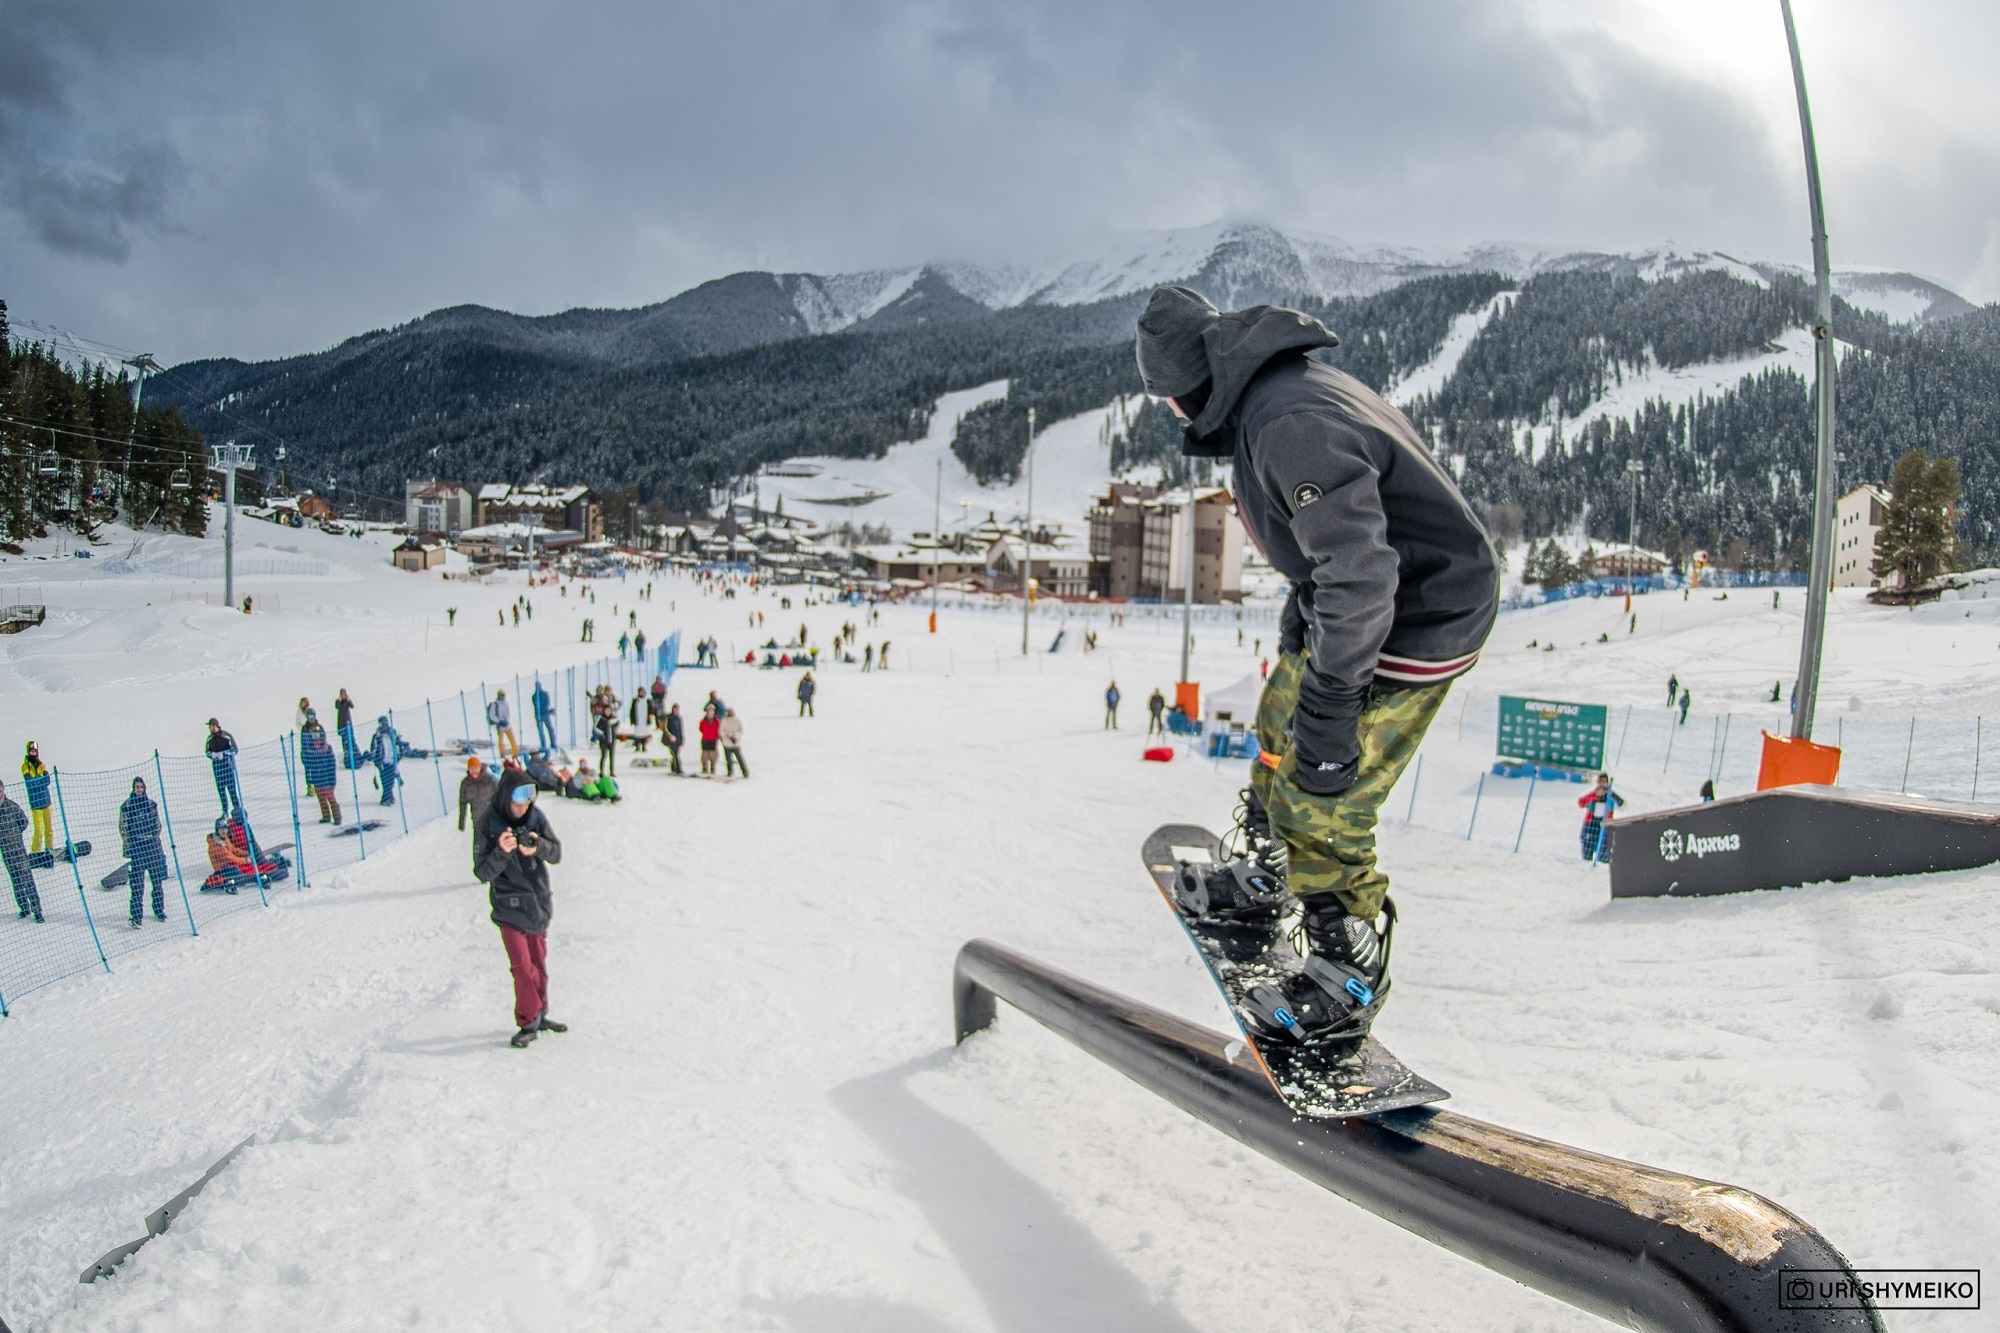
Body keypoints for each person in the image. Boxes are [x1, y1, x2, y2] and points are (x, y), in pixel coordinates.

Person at [1134, 283, 1497, 1050]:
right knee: (1278, 722)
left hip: (1417, 617)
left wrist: (1334, 703)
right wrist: (1306, 631)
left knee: (1323, 786)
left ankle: (1349, 960)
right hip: (1371, 602)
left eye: (1164, 397)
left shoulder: (1287, 420)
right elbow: (1338, 545)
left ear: (1182, 389)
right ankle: (1269, 868)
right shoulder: (1276, 395)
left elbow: (1362, 572)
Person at [474, 780, 567, 1048]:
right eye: (519, 798)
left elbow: (556, 852)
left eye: (529, 797)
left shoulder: (535, 817)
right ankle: (527, 1021)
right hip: (509, 908)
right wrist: (502, 852)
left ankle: (540, 1013)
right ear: (505, 797)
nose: (524, 804)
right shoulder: (488, 824)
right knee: (523, 969)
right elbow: (482, 872)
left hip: (537, 905)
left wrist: (538, 847)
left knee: (539, 964)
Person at [119, 777, 170, 927]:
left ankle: (159, 910)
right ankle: (136, 916)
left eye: (141, 787)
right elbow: (123, 828)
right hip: (137, 849)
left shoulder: (151, 805)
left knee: (157, 882)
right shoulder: (127, 806)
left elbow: (158, 825)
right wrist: (129, 845)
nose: (139, 789)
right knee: (137, 885)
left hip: (152, 847)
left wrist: (153, 839)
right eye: (136, 787)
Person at [0, 780, 41, 922]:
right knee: (16, 881)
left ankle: (37, 910)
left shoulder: (12, 806)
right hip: (6, 854)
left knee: (28, 880)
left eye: (0, 791)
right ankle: (24, 908)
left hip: (19, 852)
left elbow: (24, 822)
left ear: (3, 791)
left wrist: (15, 834)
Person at [300, 717, 342, 825]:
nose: (316, 738)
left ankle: (337, 816)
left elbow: (332, 763)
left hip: (327, 776)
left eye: (317, 735)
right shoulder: (310, 749)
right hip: (317, 776)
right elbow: (306, 762)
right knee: (321, 798)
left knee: (330, 797)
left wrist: (332, 777)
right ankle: (326, 815)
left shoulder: (326, 748)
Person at [1578, 773, 1626, 863]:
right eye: (1600, 781)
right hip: (1591, 826)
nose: (1602, 784)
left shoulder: (1611, 797)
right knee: (1587, 852)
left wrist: (1612, 795)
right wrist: (1594, 795)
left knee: (1604, 854)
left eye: (1604, 782)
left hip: (1605, 827)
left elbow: (1623, 806)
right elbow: (1581, 803)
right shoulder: (1593, 795)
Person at [20, 742, 53, 855]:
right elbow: (30, 783)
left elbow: (47, 780)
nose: (33, 753)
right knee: (39, 830)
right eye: (31, 751)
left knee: (49, 829)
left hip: (46, 801)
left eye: (34, 751)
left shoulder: (42, 765)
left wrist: (37, 781)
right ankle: (35, 852)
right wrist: (41, 780)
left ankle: (49, 849)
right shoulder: (25, 767)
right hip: (35, 803)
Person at [205, 718, 243, 816]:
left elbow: (235, 750)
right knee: (221, 792)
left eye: (212, 726)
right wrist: (212, 755)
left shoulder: (227, 736)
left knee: (232, 790)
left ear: (217, 726)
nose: (211, 728)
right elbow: (207, 752)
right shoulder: (209, 739)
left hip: (228, 768)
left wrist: (224, 754)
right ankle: (225, 811)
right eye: (210, 726)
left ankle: (237, 809)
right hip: (217, 770)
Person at [459, 756, 498, 842]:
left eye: (476, 768)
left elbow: (500, 795)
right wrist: (461, 822)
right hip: (477, 818)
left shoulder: (490, 779)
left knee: (495, 840)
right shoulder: (465, 784)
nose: (474, 771)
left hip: (492, 816)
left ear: (480, 767)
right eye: (471, 768)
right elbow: (462, 803)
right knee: (480, 842)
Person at [368, 716, 402, 806]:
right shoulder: (377, 736)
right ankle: (387, 798)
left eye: (385, 723)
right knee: (384, 780)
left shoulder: (393, 734)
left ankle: (387, 798)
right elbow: (373, 749)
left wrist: (399, 756)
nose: (384, 726)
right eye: (382, 724)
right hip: (382, 762)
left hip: (392, 761)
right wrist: (376, 760)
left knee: (390, 780)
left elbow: (399, 745)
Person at [488, 690, 519, 758]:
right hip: (500, 725)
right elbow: (492, 715)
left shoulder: (506, 703)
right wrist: (499, 721)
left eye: (503, 695)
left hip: (507, 724)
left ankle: (516, 752)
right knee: (501, 741)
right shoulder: (495, 704)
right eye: (501, 695)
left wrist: (507, 720)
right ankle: (502, 753)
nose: (502, 697)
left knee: (512, 738)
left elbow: (508, 713)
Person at [720, 708, 748, 778]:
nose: (730, 713)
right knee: (728, 760)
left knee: (739, 759)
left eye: (731, 712)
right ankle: (730, 771)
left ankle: (745, 771)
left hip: (736, 743)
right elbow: (721, 731)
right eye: (729, 712)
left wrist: (734, 735)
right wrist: (728, 734)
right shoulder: (724, 720)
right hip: (727, 743)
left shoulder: (737, 720)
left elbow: (741, 731)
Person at [335, 689, 360, 769]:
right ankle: (346, 754)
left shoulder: (347, 702)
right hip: (342, 724)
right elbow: (337, 706)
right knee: (344, 740)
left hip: (348, 724)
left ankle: (353, 753)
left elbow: (352, 706)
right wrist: (339, 700)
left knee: (351, 739)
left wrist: (348, 700)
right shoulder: (338, 702)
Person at [532, 679, 557, 751]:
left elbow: (545, 704)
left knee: (548, 730)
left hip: (542, 715)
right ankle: (546, 745)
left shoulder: (538, 695)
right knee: (544, 731)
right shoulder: (537, 695)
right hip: (541, 715)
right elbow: (545, 704)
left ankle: (550, 745)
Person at [698, 702, 721, 776]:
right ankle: (704, 768)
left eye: (712, 711)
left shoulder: (717, 721)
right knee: (704, 755)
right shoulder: (703, 720)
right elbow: (700, 728)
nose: (711, 712)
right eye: (709, 711)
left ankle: (713, 768)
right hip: (705, 739)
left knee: (713, 755)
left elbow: (719, 729)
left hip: (713, 740)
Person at [594, 705, 618, 777]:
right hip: (603, 741)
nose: (608, 712)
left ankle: (612, 771)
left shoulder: (614, 719)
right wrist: (602, 733)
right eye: (606, 710)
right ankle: (601, 772)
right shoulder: (601, 719)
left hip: (612, 740)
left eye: (609, 710)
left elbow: (617, 726)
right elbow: (595, 728)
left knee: (612, 756)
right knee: (603, 756)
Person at [662, 704, 685, 774]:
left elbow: (680, 730)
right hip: (670, 740)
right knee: (675, 755)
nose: (677, 711)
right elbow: (665, 728)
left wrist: (682, 739)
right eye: (676, 709)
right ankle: (678, 769)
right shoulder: (669, 717)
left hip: (677, 740)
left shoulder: (678, 718)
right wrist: (670, 736)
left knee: (676, 754)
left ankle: (673, 768)